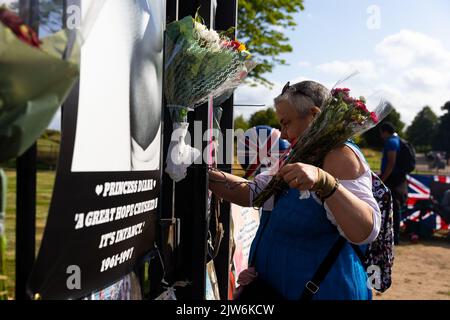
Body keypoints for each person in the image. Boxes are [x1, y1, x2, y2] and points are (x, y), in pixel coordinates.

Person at [209, 81, 381, 300]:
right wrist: (201, 174)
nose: (282, 134)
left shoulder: (338, 154)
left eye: (286, 123)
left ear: (314, 114)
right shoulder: (299, 154)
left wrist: (325, 182)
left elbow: (365, 230)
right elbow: (252, 192)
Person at [379, 122, 408, 245]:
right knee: (395, 208)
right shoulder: (397, 140)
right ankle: (394, 236)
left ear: (386, 131)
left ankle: (394, 237)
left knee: (393, 209)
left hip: (393, 180)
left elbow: (391, 163)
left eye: (381, 133)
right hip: (398, 179)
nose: (381, 136)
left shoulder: (391, 142)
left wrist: (382, 180)